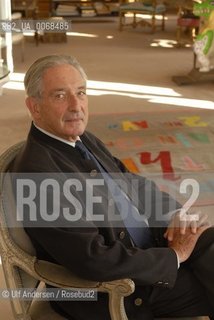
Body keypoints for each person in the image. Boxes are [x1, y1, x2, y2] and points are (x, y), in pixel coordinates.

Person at [9, 55, 214, 320]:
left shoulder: (81, 138)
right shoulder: (37, 174)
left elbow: (133, 184)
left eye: (81, 93)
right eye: (60, 96)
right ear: (34, 107)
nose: (76, 106)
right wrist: (174, 257)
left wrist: (175, 215)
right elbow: (92, 259)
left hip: (149, 246)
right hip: (118, 289)